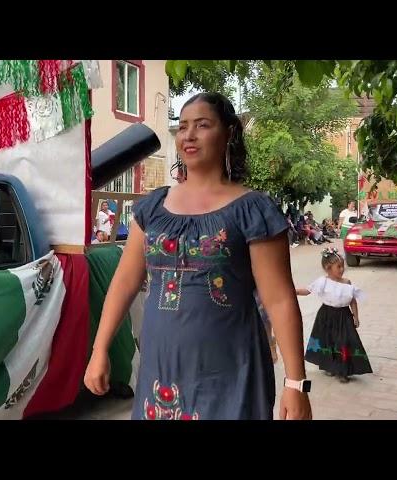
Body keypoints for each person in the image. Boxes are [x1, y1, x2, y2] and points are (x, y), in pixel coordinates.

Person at [83, 92, 312, 420]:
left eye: (203, 125)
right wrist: (99, 349)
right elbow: (125, 281)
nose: (188, 135)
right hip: (160, 370)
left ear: (229, 133)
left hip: (231, 372)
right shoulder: (152, 208)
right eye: (183, 126)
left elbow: (280, 300)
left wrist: (295, 382)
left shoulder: (252, 210)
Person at [296, 247, 372, 383]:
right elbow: (307, 291)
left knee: (343, 342)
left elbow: (352, 301)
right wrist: (293, 291)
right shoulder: (322, 282)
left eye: (343, 266)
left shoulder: (347, 283)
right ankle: (330, 366)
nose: (342, 269)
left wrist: (356, 316)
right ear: (328, 268)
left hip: (344, 317)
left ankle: (343, 371)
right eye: (339, 267)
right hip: (326, 316)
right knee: (328, 341)